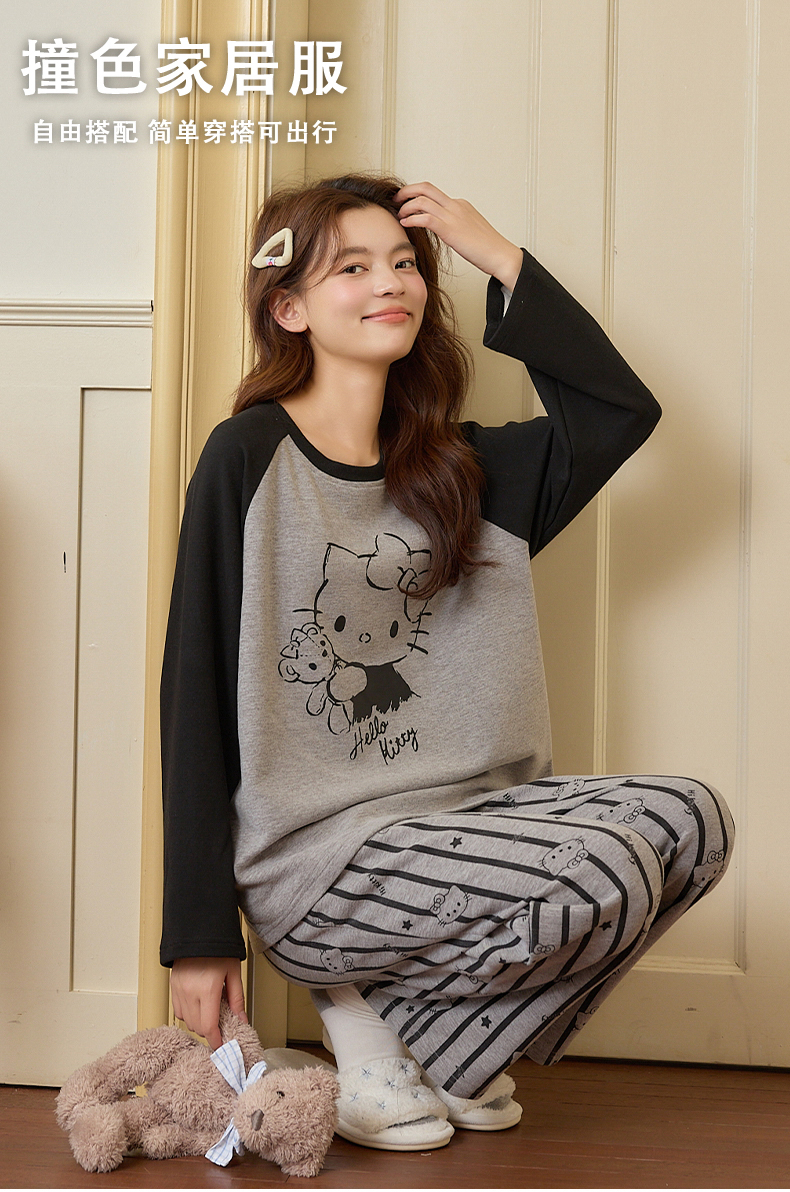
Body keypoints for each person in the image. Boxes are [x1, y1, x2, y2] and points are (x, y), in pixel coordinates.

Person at [160, 174, 734, 1150]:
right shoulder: (247, 458)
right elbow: (196, 693)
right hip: (320, 860)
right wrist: (199, 936)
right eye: (352, 267)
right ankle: (373, 1034)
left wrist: (498, 257)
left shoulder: (470, 472)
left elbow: (617, 414)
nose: (391, 282)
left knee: (691, 821)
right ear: (289, 308)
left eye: (403, 263)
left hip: (475, 826)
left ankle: (411, 1048)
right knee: (603, 864)